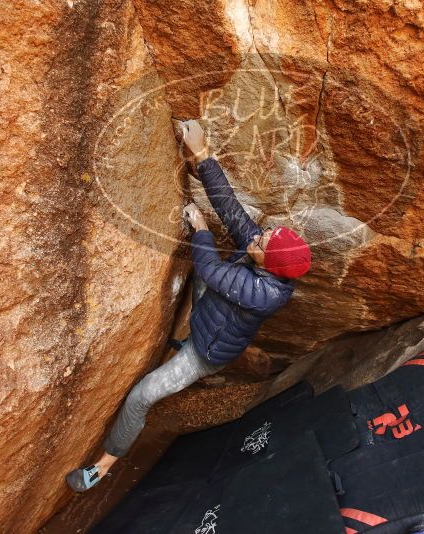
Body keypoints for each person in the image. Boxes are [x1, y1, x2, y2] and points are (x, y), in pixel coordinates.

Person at [65, 120, 312, 492]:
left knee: (143, 395)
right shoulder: (262, 254)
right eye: (264, 234)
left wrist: (200, 228)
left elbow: (212, 271)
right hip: (209, 312)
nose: (256, 236)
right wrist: (201, 153)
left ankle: (104, 465)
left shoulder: (268, 293)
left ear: (269, 265)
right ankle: (185, 334)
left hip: (205, 351)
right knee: (206, 271)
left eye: (261, 242)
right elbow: (230, 209)